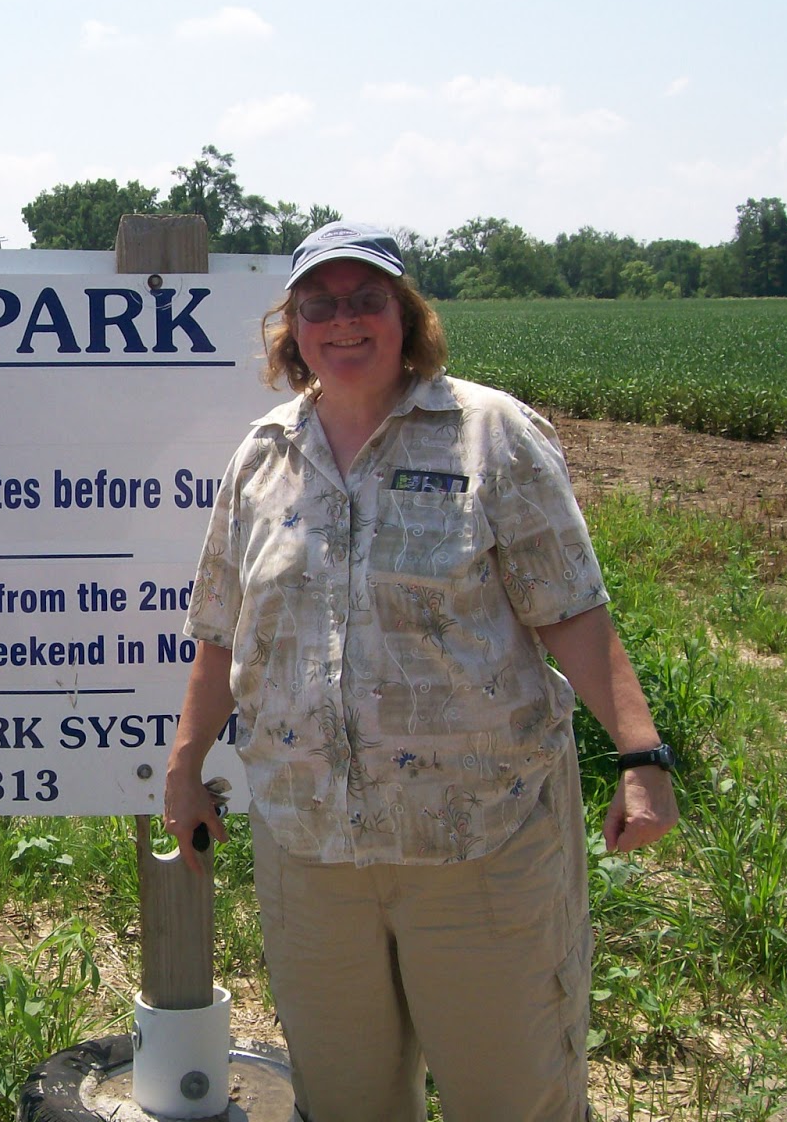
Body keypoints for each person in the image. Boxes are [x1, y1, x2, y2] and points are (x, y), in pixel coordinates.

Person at [162, 221, 679, 1121]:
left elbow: (573, 609)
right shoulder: (263, 457)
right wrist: (184, 766)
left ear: (407, 316)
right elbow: (220, 628)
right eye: (320, 305)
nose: (345, 321)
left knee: (510, 1096)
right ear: (293, 330)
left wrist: (643, 759)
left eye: (369, 300)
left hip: (480, 840)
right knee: (348, 1099)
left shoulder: (490, 434)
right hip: (312, 846)